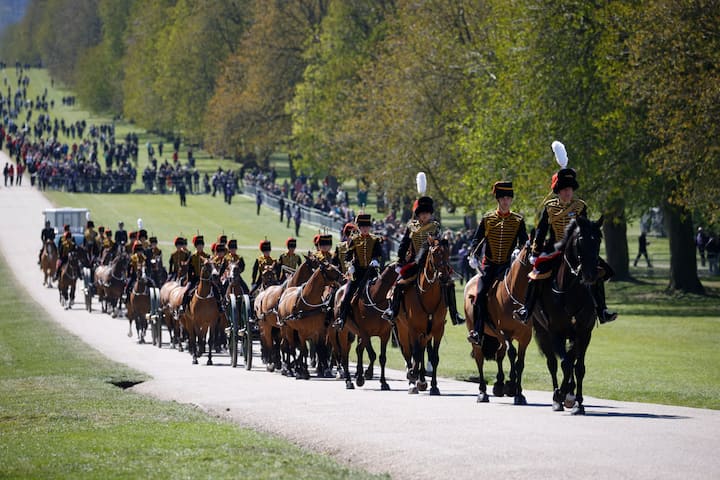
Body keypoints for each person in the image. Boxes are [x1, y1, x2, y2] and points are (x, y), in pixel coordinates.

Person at [518, 143, 617, 324]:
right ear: (558, 191)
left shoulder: (580, 206)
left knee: (596, 272)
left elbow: (585, 228)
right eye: (564, 190)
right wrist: (535, 251)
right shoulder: (549, 208)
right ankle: (527, 309)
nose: (568, 193)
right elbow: (541, 232)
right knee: (535, 275)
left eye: (570, 189)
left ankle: (602, 310)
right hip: (555, 247)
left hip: (577, 249)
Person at [382, 195, 464, 325]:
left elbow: (440, 243)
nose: (424, 216)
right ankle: (393, 311)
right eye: (422, 213)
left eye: (427, 213)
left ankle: (455, 314)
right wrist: (400, 258)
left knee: (449, 284)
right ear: (418, 214)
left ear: (430, 214)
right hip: (415, 263)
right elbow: (404, 243)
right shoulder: (412, 226)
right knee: (399, 284)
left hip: (434, 262)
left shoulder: (435, 226)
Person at [467, 181, 528, 345]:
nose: (506, 201)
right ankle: (478, 331)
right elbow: (476, 240)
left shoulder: (518, 220)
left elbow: (524, 243)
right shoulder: (487, 219)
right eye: (503, 198)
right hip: (490, 266)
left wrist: (521, 251)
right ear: (498, 200)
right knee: (479, 295)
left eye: (508, 198)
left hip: (508, 266)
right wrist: (473, 255)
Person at [334, 214, 382, 329]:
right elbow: (347, 257)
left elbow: (379, 254)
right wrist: (350, 266)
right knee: (347, 295)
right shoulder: (354, 240)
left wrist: (375, 260)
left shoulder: (375, 239)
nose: (365, 229)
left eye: (367, 226)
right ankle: (342, 318)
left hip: (371, 273)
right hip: (357, 273)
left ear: (370, 227)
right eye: (362, 226)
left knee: (385, 291)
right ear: (359, 228)